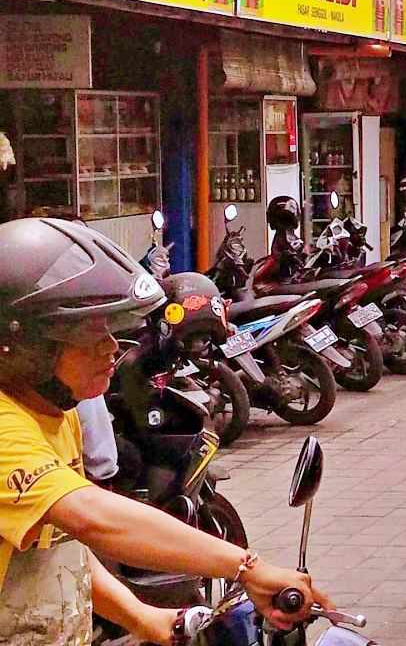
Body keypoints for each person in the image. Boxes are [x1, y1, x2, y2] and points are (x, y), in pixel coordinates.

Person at [0, 217, 330, 645]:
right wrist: (247, 567)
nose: (112, 347)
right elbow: (93, 519)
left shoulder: (56, 414)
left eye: (109, 329)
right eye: (89, 333)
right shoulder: (5, 428)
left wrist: (142, 617)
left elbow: (63, 546)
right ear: (27, 348)